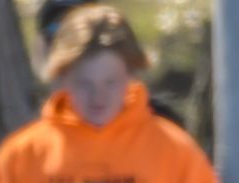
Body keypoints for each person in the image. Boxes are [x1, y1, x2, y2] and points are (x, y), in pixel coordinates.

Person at [0, 4, 229, 183]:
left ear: (131, 75)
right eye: (84, 83)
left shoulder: (175, 151)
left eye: (110, 82)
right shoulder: (19, 157)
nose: (98, 96)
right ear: (62, 76)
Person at [34, 0, 186, 128]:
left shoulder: (162, 128)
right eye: (56, 30)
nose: (69, 42)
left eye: (82, 32)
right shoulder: (28, 147)